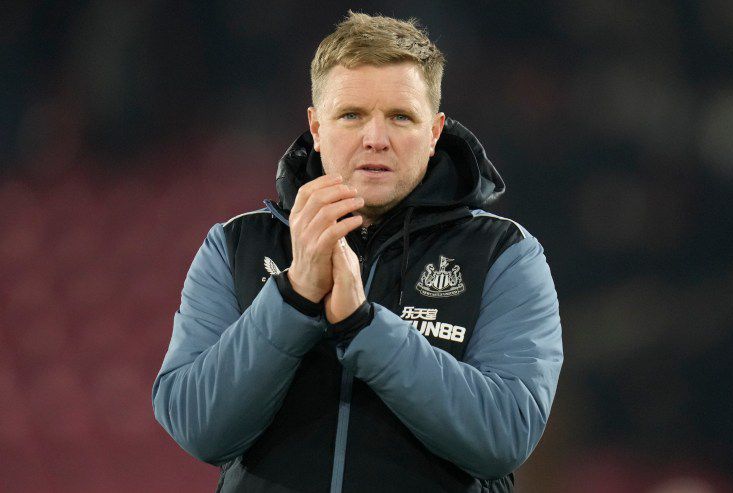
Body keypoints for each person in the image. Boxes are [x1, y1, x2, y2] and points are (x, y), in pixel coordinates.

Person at [152, 12, 563, 493]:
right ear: (316, 126)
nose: (376, 139)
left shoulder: (504, 255)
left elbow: (504, 435)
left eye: (401, 117)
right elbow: (198, 428)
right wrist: (293, 297)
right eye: (351, 115)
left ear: (434, 132)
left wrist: (363, 328)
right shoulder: (235, 245)